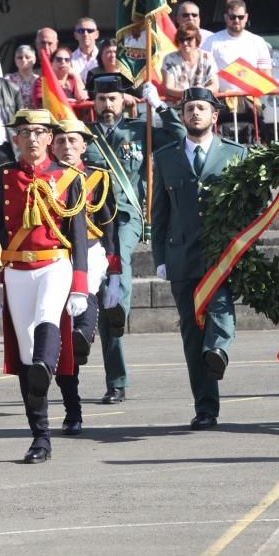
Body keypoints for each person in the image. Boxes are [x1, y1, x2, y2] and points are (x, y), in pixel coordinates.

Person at [0, 109, 89, 464]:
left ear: (49, 138)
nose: (30, 138)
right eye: (24, 132)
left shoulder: (68, 177)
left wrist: (80, 286)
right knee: (25, 354)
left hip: (55, 263)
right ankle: (40, 436)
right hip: (14, 267)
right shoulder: (1, 177)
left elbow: (79, 236)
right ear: (16, 139)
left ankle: (46, 364)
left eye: (38, 132)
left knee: (46, 320)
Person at [152, 87, 248, 430]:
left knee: (220, 308)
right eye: (189, 108)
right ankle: (206, 408)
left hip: (221, 253)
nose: (195, 113)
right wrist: (160, 256)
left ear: (214, 116)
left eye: (202, 108)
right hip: (181, 255)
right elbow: (159, 213)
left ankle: (219, 350)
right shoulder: (165, 156)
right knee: (192, 335)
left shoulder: (237, 154)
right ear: (182, 115)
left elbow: (250, 206)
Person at [85, 75, 184, 404]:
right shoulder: (83, 137)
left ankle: (120, 311)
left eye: (112, 98)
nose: (106, 105)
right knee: (99, 294)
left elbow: (179, 134)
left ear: (125, 101)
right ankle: (115, 379)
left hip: (126, 215)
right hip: (88, 219)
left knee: (118, 265)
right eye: (101, 99)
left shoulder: (140, 129)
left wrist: (159, 106)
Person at [50, 119, 121, 435]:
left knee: (84, 302)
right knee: (62, 342)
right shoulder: (44, 178)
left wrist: (115, 269)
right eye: (61, 141)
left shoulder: (97, 177)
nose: (66, 146)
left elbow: (109, 226)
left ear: (84, 145)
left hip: (89, 252)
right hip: (53, 257)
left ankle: (84, 333)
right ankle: (72, 407)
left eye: (73, 141)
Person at [201, 0, 273, 143]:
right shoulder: (212, 41)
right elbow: (204, 74)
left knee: (253, 142)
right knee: (222, 143)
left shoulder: (258, 41)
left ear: (246, 17)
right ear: (226, 18)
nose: (237, 20)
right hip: (221, 104)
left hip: (251, 103)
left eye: (240, 17)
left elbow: (266, 76)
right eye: (233, 17)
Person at [162, 24, 219, 103]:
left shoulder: (207, 57)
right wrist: (190, 93)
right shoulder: (169, 59)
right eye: (181, 39)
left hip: (203, 106)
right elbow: (168, 88)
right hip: (178, 108)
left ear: (197, 40)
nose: (185, 43)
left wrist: (200, 92)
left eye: (189, 39)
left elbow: (215, 86)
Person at [5, 45, 39, 109]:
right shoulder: (8, 79)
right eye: (19, 57)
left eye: (27, 57)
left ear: (34, 59)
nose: (23, 60)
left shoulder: (39, 80)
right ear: (15, 60)